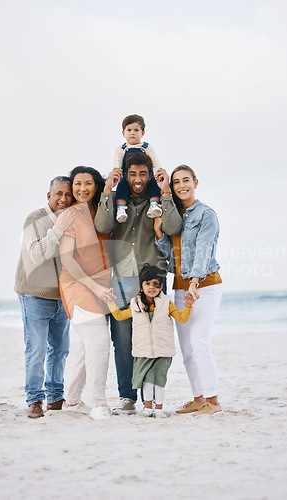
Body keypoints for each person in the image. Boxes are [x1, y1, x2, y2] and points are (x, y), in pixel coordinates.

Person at [94, 151, 183, 415]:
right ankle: (127, 396)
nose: (138, 179)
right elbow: (102, 224)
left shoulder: (157, 201)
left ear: (149, 174)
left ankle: (150, 394)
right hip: (121, 279)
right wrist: (108, 190)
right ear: (126, 174)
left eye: (143, 174)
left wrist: (166, 193)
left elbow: (174, 227)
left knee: (153, 338)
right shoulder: (117, 200)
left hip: (153, 280)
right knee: (122, 340)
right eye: (132, 174)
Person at [154, 164, 223, 416]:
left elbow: (204, 251)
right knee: (187, 349)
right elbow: (169, 255)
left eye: (186, 180)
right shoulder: (173, 215)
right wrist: (159, 232)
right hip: (181, 288)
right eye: (176, 182)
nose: (181, 185)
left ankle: (213, 402)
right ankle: (198, 398)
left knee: (199, 342)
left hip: (204, 286)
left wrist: (194, 282)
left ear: (195, 182)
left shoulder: (206, 214)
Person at [15, 176, 75, 419]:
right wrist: (59, 228)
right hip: (34, 294)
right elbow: (38, 253)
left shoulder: (73, 220)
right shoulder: (35, 219)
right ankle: (35, 399)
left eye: (67, 195)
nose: (63, 199)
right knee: (37, 349)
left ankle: (55, 397)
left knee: (60, 349)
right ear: (48, 196)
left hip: (62, 296)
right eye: (58, 194)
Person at [59, 166, 116, 421]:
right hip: (77, 285)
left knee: (89, 346)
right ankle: (99, 403)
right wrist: (94, 288)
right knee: (100, 342)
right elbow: (67, 259)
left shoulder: (103, 212)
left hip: (102, 286)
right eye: (78, 184)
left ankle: (71, 401)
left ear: (97, 186)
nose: (82, 188)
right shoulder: (70, 215)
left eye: (88, 183)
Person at [106, 264, 194, 418]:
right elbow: (119, 316)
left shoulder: (166, 303)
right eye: (147, 284)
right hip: (143, 351)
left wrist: (188, 306)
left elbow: (182, 318)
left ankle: (158, 409)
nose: (151, 287)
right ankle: (147, 409)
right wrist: (110, 302)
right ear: (141, 287)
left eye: (156, 284)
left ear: (161, 287)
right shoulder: (135, 304)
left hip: (162, 350)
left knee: (159, 381)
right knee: (146, 380)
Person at [114, 114, 162, 223]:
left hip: (146, 177)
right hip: (128, 177)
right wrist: (116, 174)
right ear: (123, 133)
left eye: (136, 130)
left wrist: (159, 173)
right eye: (129, 130)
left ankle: (154, 205)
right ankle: (121, 208)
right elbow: (117, 164)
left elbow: (155, 162)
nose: (132, 133)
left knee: (154, 184)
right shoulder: (121, 149)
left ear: (142, 133)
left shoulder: (147, 147)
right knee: (121, 186)